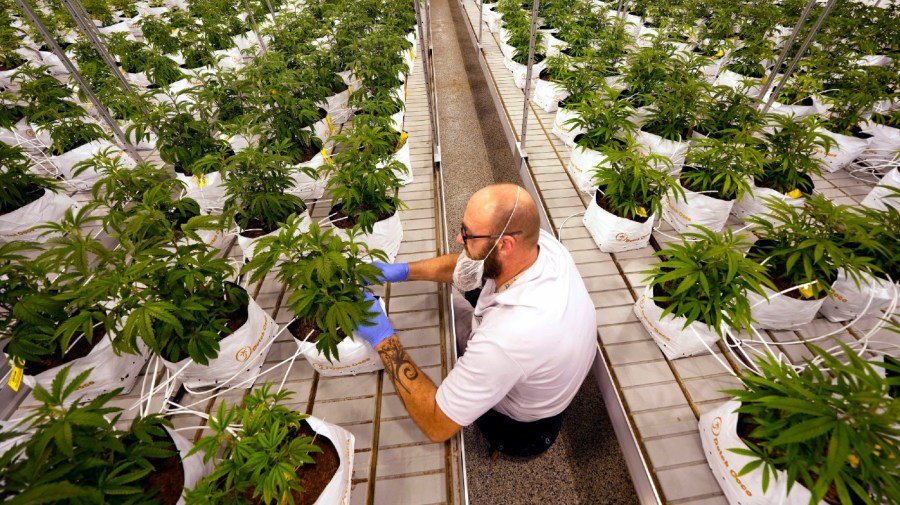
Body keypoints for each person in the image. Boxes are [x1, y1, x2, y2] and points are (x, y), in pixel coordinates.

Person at [355, 184, 598, 458]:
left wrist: (383, 339)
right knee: (454, 305)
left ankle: (504, 447)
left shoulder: (508, 338)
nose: (459, 238)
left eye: (468, 234)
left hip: (522, 427)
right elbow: (469, 263)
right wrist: (403, 272)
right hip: (541, 364)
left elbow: (437, 425)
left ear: (505, 244)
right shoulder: (541, 245)